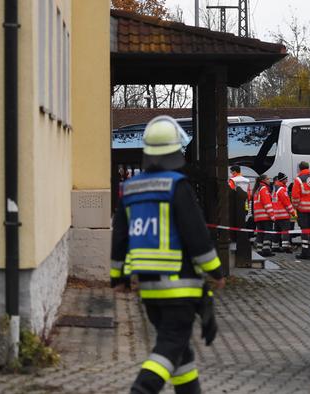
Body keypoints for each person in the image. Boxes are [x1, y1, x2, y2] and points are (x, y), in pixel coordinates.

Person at [111, 115, 225, 394]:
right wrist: (215, 271)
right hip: (179, 285)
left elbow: (120, 236)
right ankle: (142, 389)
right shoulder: (177, 185)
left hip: (149, 289)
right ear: (176, 151)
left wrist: (119, 277)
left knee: (179, 351)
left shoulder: (130, 188)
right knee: (170, 344)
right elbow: (195, 233)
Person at [271, 173, 297, 253]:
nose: (287, 180)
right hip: (283, 215)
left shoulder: (275, 189)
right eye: (286, 179)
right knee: (285, 231)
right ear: (282, 180)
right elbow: (287, 203)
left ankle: (275, 246)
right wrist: (293, 213)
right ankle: (286, 247)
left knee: (277, 231)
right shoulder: (282, 190)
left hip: (276, 215)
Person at [252, 174, 275, 257]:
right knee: (268, 233)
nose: (269, 180)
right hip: (265, 216)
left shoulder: (257, 189)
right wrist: (272, 216)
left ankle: (259, 250)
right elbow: (267, 203)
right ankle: (266, 250)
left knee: (260, 234)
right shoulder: (264, 189)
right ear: (264, 180)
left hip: (258, 216)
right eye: (268, 179)